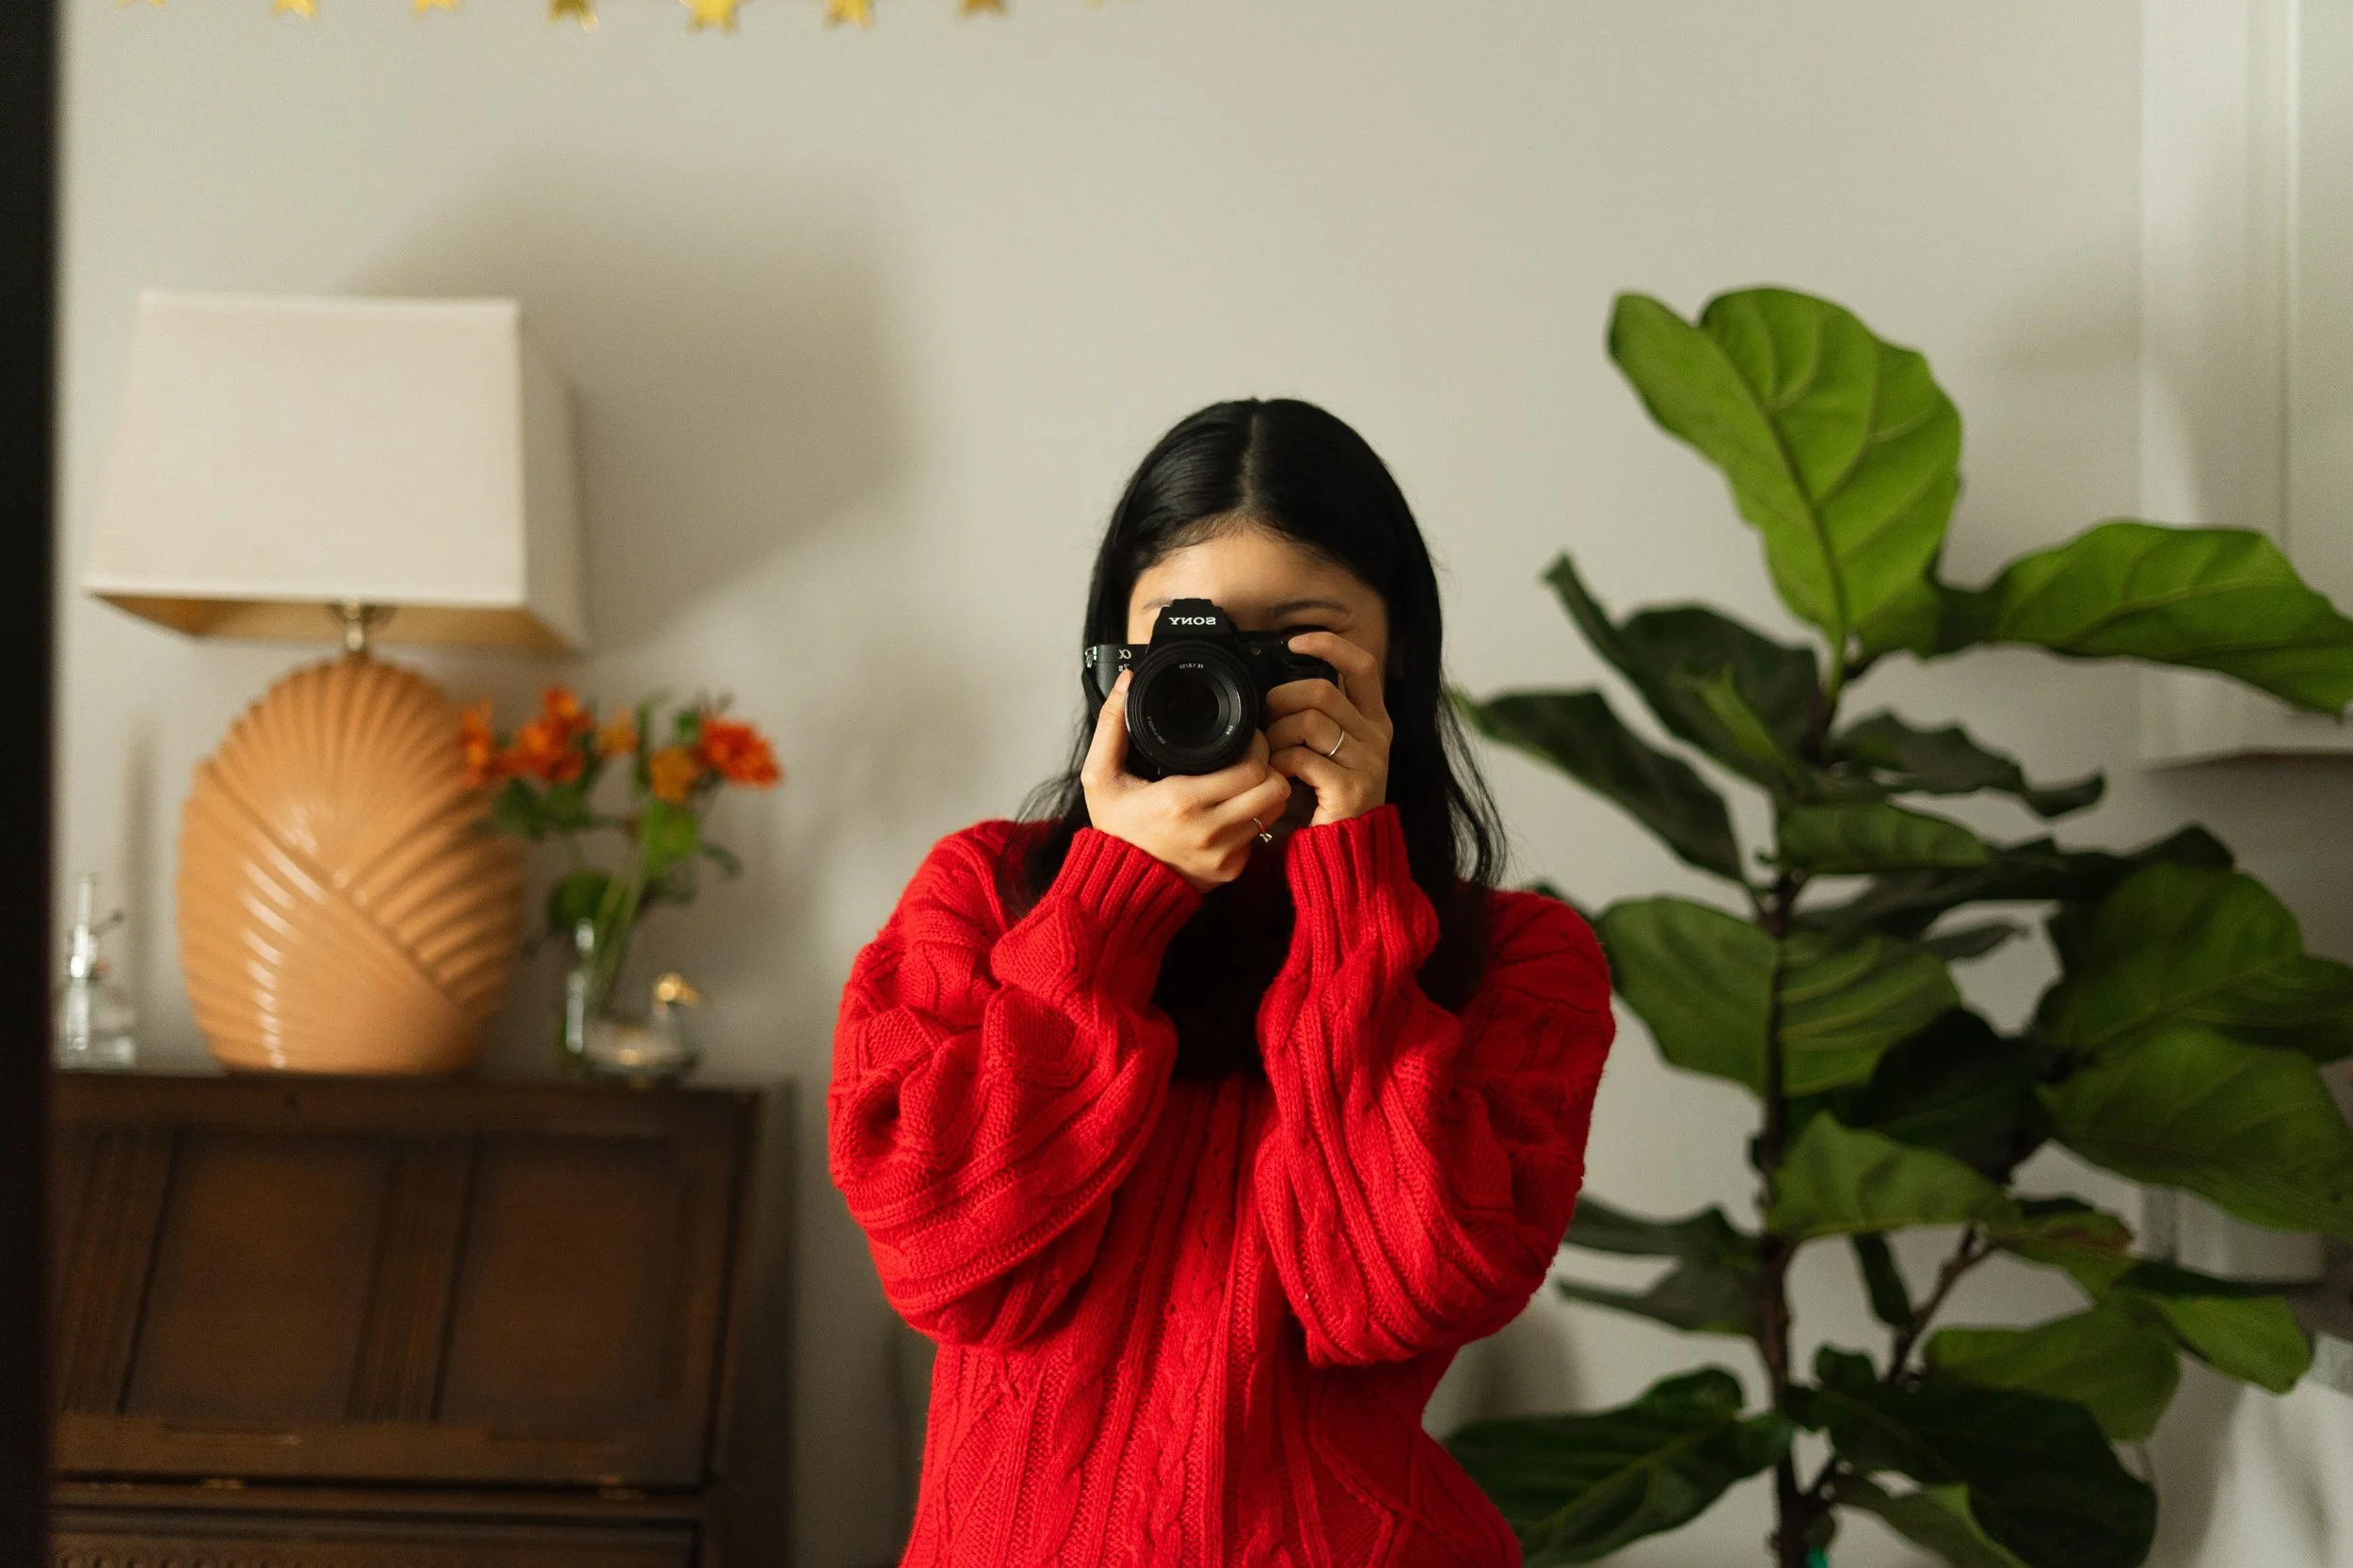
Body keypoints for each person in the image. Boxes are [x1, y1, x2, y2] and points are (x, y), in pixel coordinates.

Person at [828, 398, 1616, 1566]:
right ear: (1114, 661)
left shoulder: (1517, 959)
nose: (1234, 685)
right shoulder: (984, 897)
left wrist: (1353, 885)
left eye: (1294, 641)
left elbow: (1396, 1295)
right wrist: (1108, 904)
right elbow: (947, 1261)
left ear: (1394, 651)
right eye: (1188, 640)